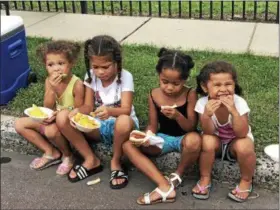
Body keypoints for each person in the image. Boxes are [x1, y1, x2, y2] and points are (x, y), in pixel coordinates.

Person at [122, 48, 201, 205]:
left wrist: (177, 116)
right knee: (127, 146)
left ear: (184, 80)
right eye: (165, 82)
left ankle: (177, 175)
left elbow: (191, 127)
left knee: (195, 140)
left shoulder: (190, 94)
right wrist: (147, 137)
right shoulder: (153, 94)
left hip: (183, 138)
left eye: (176, 84)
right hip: (163, 138)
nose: (169, 88)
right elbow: (152, 125)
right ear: (159, 76)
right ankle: (163, 185)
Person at [57, 35, 139, 188]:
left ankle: (116, 162)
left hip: (122, 128)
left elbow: (126, 110)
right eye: (95, 67)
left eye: (105, 66)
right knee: (63, 117)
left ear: (117, 63)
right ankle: (91, 159)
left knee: (123, 121)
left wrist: (110, 111)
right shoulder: (90, 76)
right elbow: (88, 107)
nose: (100, 72)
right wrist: (77, 111)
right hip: (99, 125)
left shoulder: (125, 76)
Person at [15, 40, 85, 175]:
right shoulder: (49, 81)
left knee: (51, 132)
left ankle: (68, 155)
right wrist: (52, 89)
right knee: (19, 124)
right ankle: (50, 151)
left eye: (61, 63)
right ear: (45, 66)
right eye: (50, 65)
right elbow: (47, 106)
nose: (56, 68)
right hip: (53, 118)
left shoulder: (77, 84)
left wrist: (58, 115)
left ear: (71, 63)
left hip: (67, 123)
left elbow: (78, 111)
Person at [192, 61, 256, 202]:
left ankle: (246, 180)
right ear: (205, 87)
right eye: (217, 85)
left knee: (244, 145)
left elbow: (242, 133)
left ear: (234, 84)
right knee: (206, 140)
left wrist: (233, 111)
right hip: (217, 144)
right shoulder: (202, 104)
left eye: (228, 84)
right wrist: (207, 115)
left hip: (235, 144)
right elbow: (208, 131)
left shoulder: (239, 103)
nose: (223, 89)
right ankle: (205, 178)